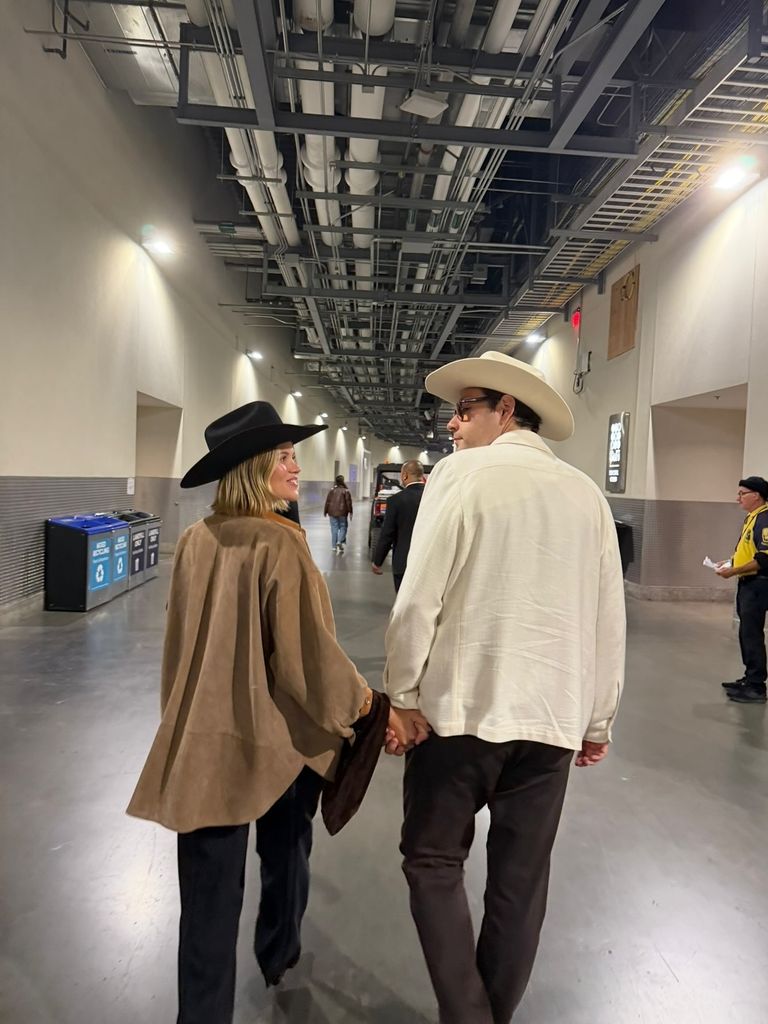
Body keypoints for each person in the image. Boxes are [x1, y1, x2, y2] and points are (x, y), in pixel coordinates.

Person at [126, 401, 413, 1024]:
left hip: (204, 741)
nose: (294, 466)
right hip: (279, 746)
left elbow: (179, 647)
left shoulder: (196, 540)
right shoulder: (280, 544)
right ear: (255, 469)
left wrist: (177, 717)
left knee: (206, 899)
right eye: (283, 456)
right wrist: (368, 707)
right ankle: (277, 954)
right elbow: (308, 660)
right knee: (285, 856)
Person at [382, 352, 626, 1024]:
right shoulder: (587, 496)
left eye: (464, 410)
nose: (452, 427)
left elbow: (416, 599)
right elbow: (609, 618)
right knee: (520, 885)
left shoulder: (460, 477)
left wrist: (402, 696)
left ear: (506, 410)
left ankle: (467, 1016)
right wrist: (598, 720)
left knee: (432, 861)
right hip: (550, 723)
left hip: (458, 717)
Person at [716, 475, 768, 704]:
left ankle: (757, 687)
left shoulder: (764, 520)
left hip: (759, 584)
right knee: (746, 633)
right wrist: (730, 563)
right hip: (748, 583)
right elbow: (747, 550)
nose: (738, 498)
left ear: (756, 495)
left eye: (742, 494)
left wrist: (735, 571)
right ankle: (749, 678)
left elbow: (764, 559)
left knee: (752, 634)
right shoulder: (752, 517)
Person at [371, 459, 426, 591]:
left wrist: (377, 561)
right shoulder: (435, 497)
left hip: (403, 563)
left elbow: (387, 534)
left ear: (405, 475)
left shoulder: (396, 501)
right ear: (422, 476)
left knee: (404, 605)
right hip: (429, 564)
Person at [324, 474, 353, 554]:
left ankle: (333, 547)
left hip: (332, 512)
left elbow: (328, 501)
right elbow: (348, 502)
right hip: (342, 513)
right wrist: (350, 511)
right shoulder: (346, 490)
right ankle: (339, 541)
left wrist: (325, 511)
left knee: (334, 528)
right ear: (343, 481)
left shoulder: (331, 490)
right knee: (343, 527)